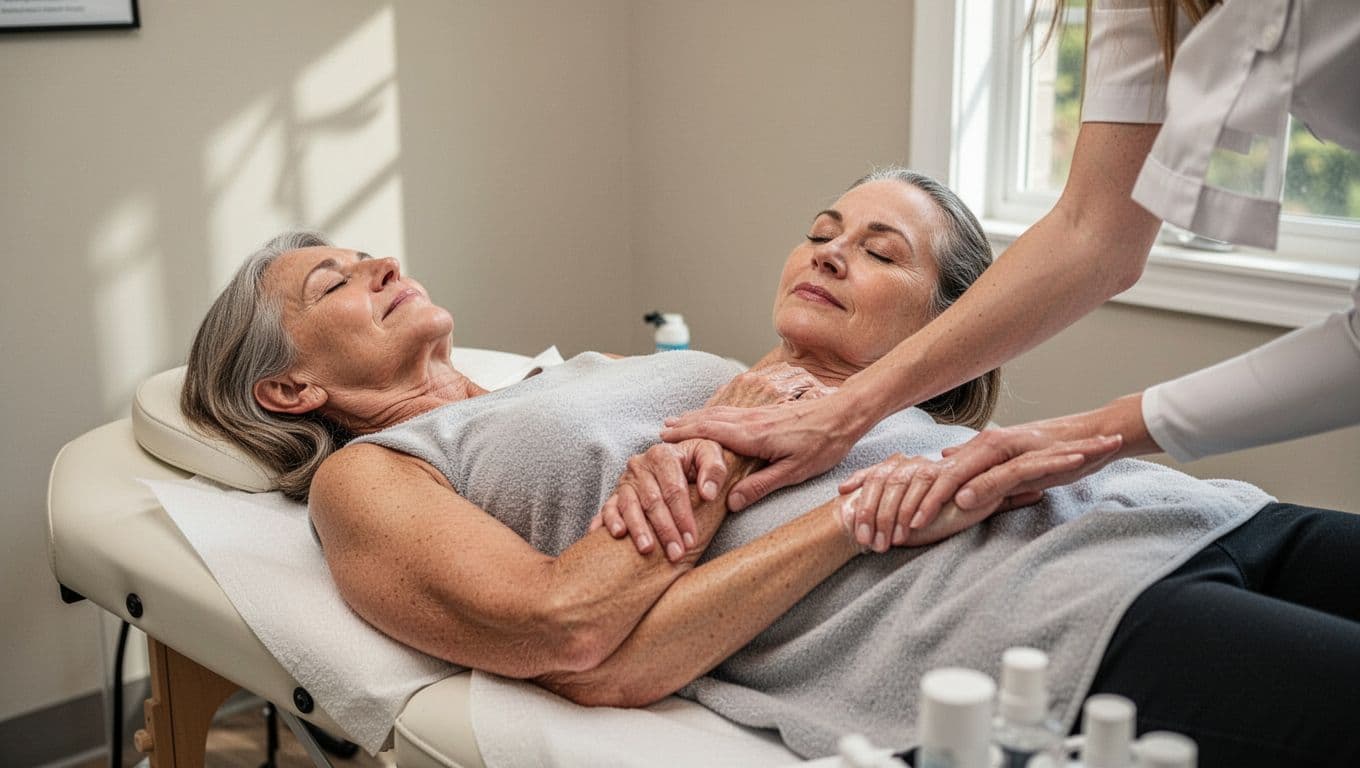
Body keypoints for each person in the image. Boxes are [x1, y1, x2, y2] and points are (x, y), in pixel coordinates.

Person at [181, 171, 1359, 766]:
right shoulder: (376, 477)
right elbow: (568, 636)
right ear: (289, 389)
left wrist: (764, 411)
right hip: (1049, 616)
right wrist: (828, 507)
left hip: (1170, 506)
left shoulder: (586, 371)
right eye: (330, 284)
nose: (377, 261)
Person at [657, 0, 1360, 541]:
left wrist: (849, 416)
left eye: (880, 252)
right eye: (819, 232)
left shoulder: (928, 453)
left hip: (1212, 523)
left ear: (949, 317)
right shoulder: (672, 401)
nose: (828, 254)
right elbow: (1096, 232)